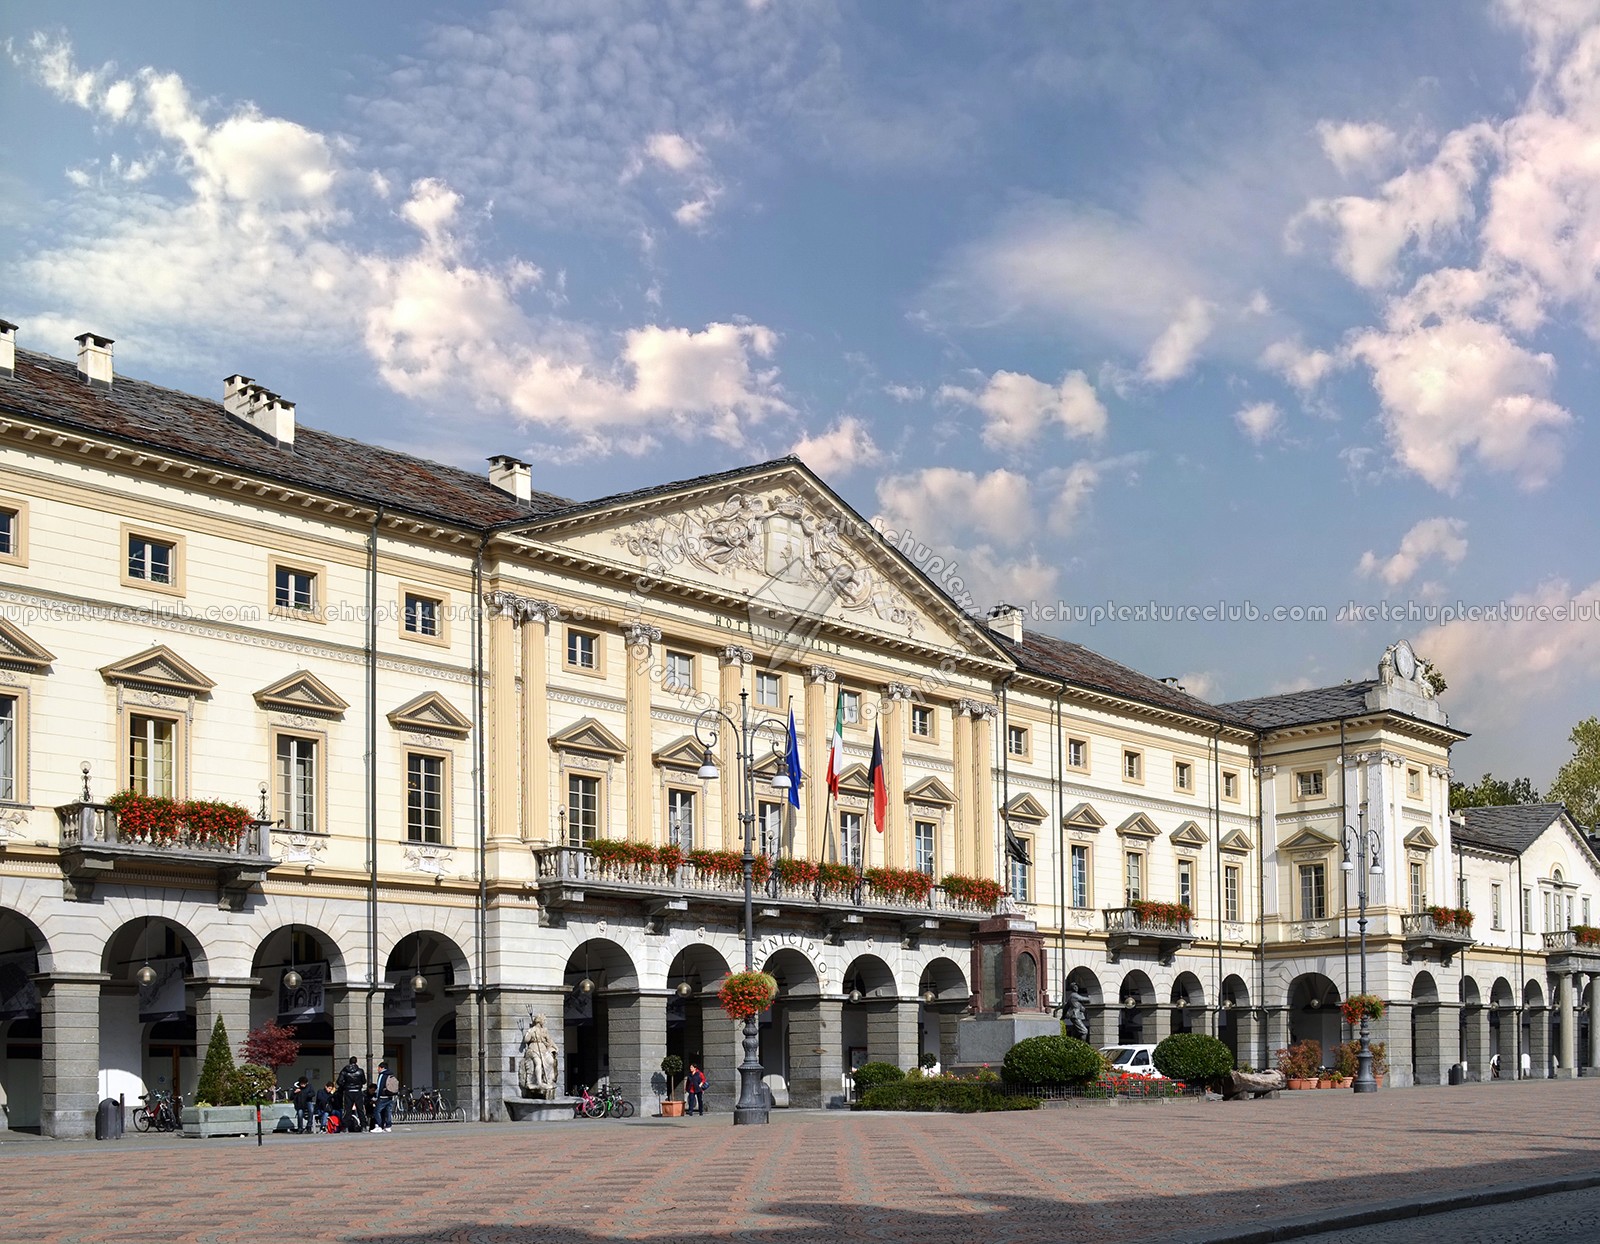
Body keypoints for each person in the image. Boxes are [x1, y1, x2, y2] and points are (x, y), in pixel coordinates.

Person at [336, 1055, 368, 1133]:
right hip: (357, 1091)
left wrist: (345, 1086)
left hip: (348, 1091)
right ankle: (363, 1126)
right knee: (360, 1109)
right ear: (356, 1062)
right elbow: (364, 1081)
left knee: (347, 1109)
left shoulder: (345, 1070)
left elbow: (339, 1081)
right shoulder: (360, 1071)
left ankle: (345, 1127)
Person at [371, 1060, 397, 1133]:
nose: (377, 1069)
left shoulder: (382, 1075)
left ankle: (378, 1126)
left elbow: (379, 1086)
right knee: (388, 1111)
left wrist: (377, 1096)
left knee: (377, 1111)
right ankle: (388, 1126)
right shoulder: (390, 1074)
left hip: (382, 1097)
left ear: (382, 1068)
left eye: (378, 1068)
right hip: (390, 1096)